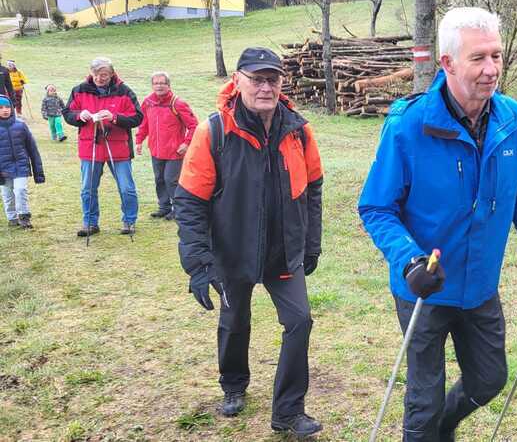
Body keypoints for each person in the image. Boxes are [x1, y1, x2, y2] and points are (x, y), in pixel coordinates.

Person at [358, 7, 517, 441]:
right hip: (424, 288)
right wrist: (409, 261)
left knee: (489, 379)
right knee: (424, 399)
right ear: (448, 63)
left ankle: (444, 427)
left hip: (479, 285)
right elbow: (376, 208)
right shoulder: (409, 125)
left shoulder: (515, 120)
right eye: (478, 58)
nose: (491, 69)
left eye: (496, 55)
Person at [174, 47, 324, 437]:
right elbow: (189, 201)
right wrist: (199, 263)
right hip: (232, 250)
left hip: (283, 251)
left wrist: (311, 243)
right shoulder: (214, 131)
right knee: (235, 320)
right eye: (257, 80)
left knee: (300, 321)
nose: (265, 88)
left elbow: (313, 188)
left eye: (272, 79)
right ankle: (234, 385)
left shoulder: (298, 130)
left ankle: (288, 412)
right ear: (237, 81)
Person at [63, 57, 143, 237]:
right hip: (90, 146)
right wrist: (79, 116)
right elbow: (67, 113)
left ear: (112, 74)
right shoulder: (79, 90)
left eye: (104, 75)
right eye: (96, 74)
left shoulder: (124, 91)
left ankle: (129, 221)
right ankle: (90, 223)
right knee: (88, 188)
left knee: (126, 188)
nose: (99, 78)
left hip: (118, 148)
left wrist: (115, 117)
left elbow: (137, 117)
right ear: (91, 73)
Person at [136, 71, 198, 220]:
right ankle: (164, 207)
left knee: (171, 180)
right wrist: (139, 140)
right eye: (156, 83)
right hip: (156, 150)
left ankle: (179, 209)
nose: (159, 86)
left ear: (168, 85)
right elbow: (144, 123)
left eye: (162, 83)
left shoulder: (177, 103)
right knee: (159, 179)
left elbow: (194, 125)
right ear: (152, 85)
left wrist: (186, 143)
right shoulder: (148, 102)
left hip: (174, 152)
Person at [0, 95, 43, 229]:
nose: (5, 110)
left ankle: (24, 217)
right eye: (1, 108)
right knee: (7, 194)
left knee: (20, 190)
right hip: (3, 169)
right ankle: (12, 218)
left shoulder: (21, 125)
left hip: (21, 166)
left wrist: (38, 173)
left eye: (7, 107)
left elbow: (32, 149)